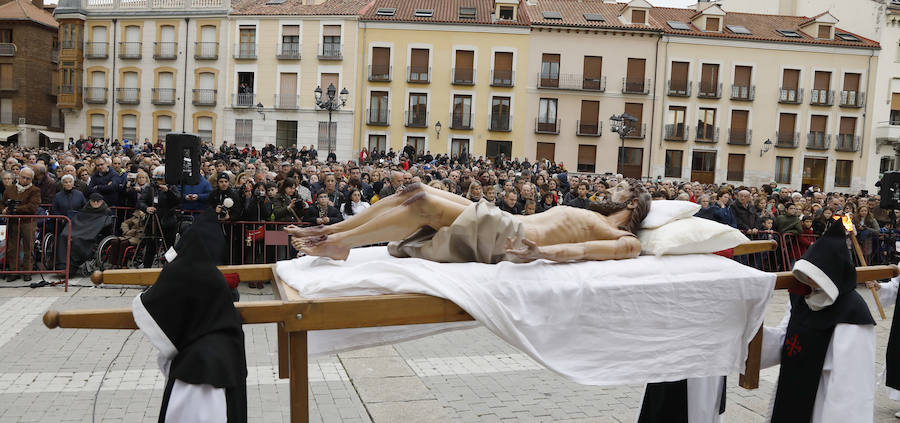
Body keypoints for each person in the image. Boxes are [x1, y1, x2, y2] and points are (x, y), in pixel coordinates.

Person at [288, 178, 650, 263]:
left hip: (514, 234)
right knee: (415, 190)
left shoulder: (623, 237)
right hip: (505, 220)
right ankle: (330, 232)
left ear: (632, 203)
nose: (611, 189)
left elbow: (585, 249)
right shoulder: (591, 211)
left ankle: (336, 241)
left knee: (423, 205)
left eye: (619, 189)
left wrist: (541, 254)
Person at [761, 221, 875, 422]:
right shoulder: (803, 298)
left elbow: (852, 383)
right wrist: (751, 333)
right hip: (792, 383)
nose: (808, 281)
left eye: (814, 276)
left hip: (824, 395)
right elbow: (784, 338)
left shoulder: (852, 313)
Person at [2, 167, 40, 282]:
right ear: (19, 176)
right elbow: (2, 203)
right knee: (12, 247)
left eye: (28, 178)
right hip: (13, 222)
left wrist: (14, 209)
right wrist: (4, 209)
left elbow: (32, 207)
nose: (25, 180)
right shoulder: (10, 189)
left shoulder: (35, 190)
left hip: (28, 222)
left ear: (31, 179)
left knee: (28, 247)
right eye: (23, 177)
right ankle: (14, 271)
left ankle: (27, 271)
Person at [137, 167, 180, 268]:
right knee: (150, 248)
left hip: (168, 222)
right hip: (152, 222)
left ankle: (171, 271)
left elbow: (178, 201)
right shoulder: (149, 188)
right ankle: (146, 271)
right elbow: (141, 201)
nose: (159, 181)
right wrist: (146, 208)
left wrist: (168, 191)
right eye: (157, 179)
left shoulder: (172, 187)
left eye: (161, 179)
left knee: (169, 248)